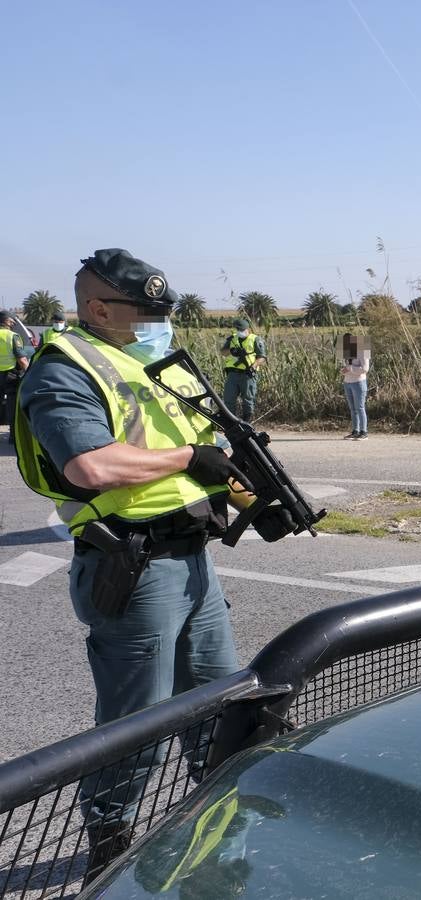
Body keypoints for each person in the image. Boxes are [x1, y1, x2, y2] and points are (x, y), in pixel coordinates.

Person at [14, 249, 294, 876]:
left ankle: (218, 817)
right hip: (135, 568)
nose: (156, 322)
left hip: (191, 559)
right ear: (98, 309)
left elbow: (207, 451)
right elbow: (90, 466)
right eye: (144, 313)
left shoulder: (151, 362)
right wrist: (189, 461)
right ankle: (110, 838)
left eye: (160, 313)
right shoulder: (64, 370)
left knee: (226, 699)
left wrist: (247, 494)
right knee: (135, 722)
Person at [221, 317, 265, 421]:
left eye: (242, 330)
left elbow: (262, 357)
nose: (240, 332)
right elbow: (223, 352)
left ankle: (247, 421)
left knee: (248, 399)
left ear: (247, 329)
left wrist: (254, 366)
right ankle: (230, 421)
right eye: (238, 329)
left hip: (247, 374)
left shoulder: (255, 339)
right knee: (229, 399)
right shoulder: (232, 339)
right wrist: (232, 351)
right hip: (232, 374)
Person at [0, 310, 29, 442]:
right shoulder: (12, 336)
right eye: (12, 321)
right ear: (7, 321)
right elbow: (22, 359)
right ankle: (13, 436)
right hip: (9, 375)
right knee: (12, 406)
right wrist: (29, 371)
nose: (13, 323)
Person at [339, 332, 370, 440]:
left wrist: (350, 369)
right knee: (353, 409)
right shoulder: (347, 352)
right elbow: (346, 366)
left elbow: (365, 369)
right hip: (348, 382)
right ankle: (355, 431)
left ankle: (364, 432)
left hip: (358, 382)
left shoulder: (363, 350)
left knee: (360, 407)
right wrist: (344, 370)